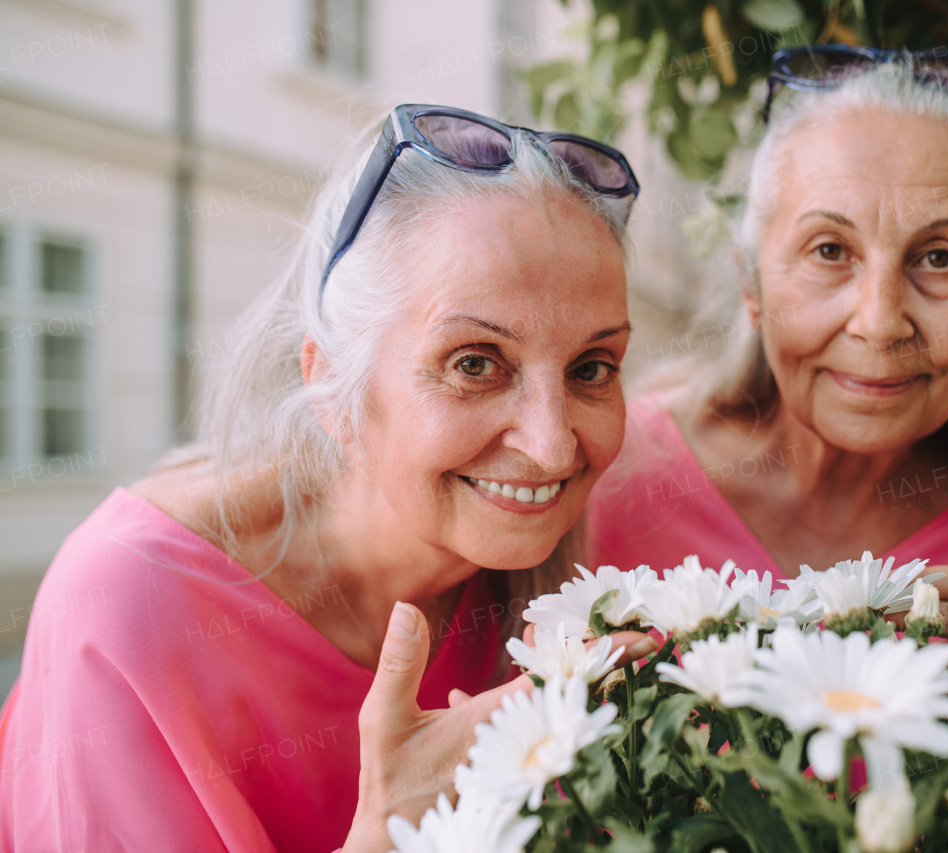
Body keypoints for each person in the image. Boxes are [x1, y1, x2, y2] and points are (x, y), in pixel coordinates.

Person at [0, 105, 655, 852]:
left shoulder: (581, 577)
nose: (550, 444)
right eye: (475, 363)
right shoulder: (127, 607)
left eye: (591, 367)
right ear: (331, 384)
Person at [590, 48, 948, 666]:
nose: (880, 323)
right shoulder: (610, 478)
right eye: (830, 250)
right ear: (751, 284)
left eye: (940, 257)